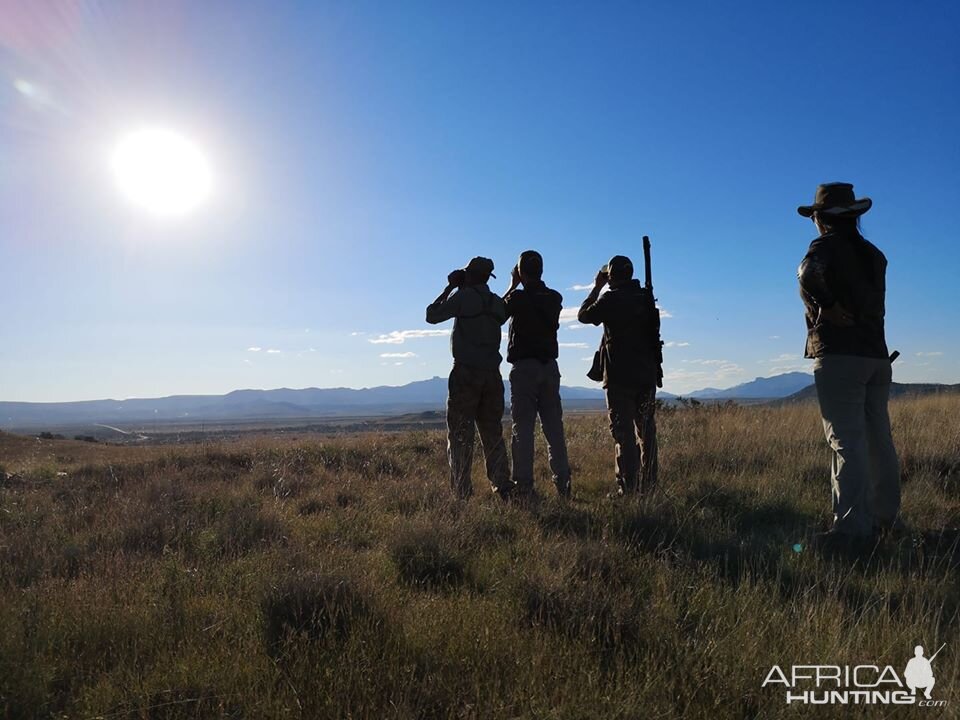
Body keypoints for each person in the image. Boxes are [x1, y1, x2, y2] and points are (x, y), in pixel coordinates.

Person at [797, 182, 901, 542]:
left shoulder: (824, 246)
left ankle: (851, 531)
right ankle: (886, 519)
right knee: (879, 440)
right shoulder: (874, 254)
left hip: (841, 355)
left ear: (822, 218)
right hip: (876, 355)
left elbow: (806, 273)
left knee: (847, 442)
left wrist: (826, 305)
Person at [426, 256, 513, 500]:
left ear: (470, 275)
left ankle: (462, 490)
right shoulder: (496, 303)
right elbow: (502, 312)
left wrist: (450, 288)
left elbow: (432, 315)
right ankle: (502, 484)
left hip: (466, 373)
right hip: (493, 376)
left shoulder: (463, 298)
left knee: (461, 434)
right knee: (492, 432)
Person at [578, 255, 662, 496]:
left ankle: (629, 488)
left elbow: (583, 315)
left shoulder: (610, 299)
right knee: (647, 433)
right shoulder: (644, 298)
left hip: (619, 378)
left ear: (611, 276)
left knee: (623, 434)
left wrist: (596, 287)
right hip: (646, 375)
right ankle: (650, 485)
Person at [503, 250, 572, 499]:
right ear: (541, 271)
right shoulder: (554, 298)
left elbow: (498, 313)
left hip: (524, 369)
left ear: (521, 272)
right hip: (550, 368)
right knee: (554, 429)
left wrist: (512, 285)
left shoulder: (518, 298)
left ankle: (524, 487)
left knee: (523, 430)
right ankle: (563, 484)